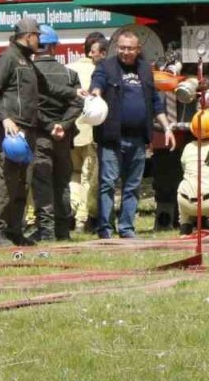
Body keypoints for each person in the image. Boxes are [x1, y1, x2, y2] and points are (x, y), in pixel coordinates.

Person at [0, 16, 82, 246]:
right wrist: (4, 118)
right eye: (37, 35)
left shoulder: (28, 61)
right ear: (28, 36)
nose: (40, 39)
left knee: (23, 182)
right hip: (12, 131)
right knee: (8, 180)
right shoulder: (7, 58)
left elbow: (48, 89)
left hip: (29, 130)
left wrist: (75, 93)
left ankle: (15, 231)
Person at [90, 29, 175, 238]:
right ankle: (106, 230)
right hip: (111, 137)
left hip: (138, 139)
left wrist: (166, 127)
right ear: (116, 47)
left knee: (133, 185)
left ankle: (127, 228)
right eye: (121, 48)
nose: (125, 52)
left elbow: (155, 101)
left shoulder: (146, 70)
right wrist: (95, 94)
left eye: (130, 49)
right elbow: (98, 83)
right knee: (108, 183)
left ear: (138, 49)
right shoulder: (106, 67)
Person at [30, 26, 82, 242]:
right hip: (63, 137)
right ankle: (63, 230)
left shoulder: (28, 73)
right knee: (62, 182)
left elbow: (28, 106)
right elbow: (79, 102)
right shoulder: (70, 74)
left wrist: (50, 125)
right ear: (53, 46)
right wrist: (64, 124)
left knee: (42, 184)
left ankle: (46, 231)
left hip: (39, 136)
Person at [68, 32, 106, 231]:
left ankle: (71, 209)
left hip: (71, 132)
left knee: (73, 174)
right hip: (91, 133)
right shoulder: (99, 71)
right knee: (88, 177)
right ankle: (83, 219)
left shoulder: (69, 68)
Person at [177, 137, 209, 235]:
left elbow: (184, 168)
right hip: (207, 203)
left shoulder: (188, 147)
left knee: (184, 185)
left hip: (186, 203)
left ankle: (185, 227)